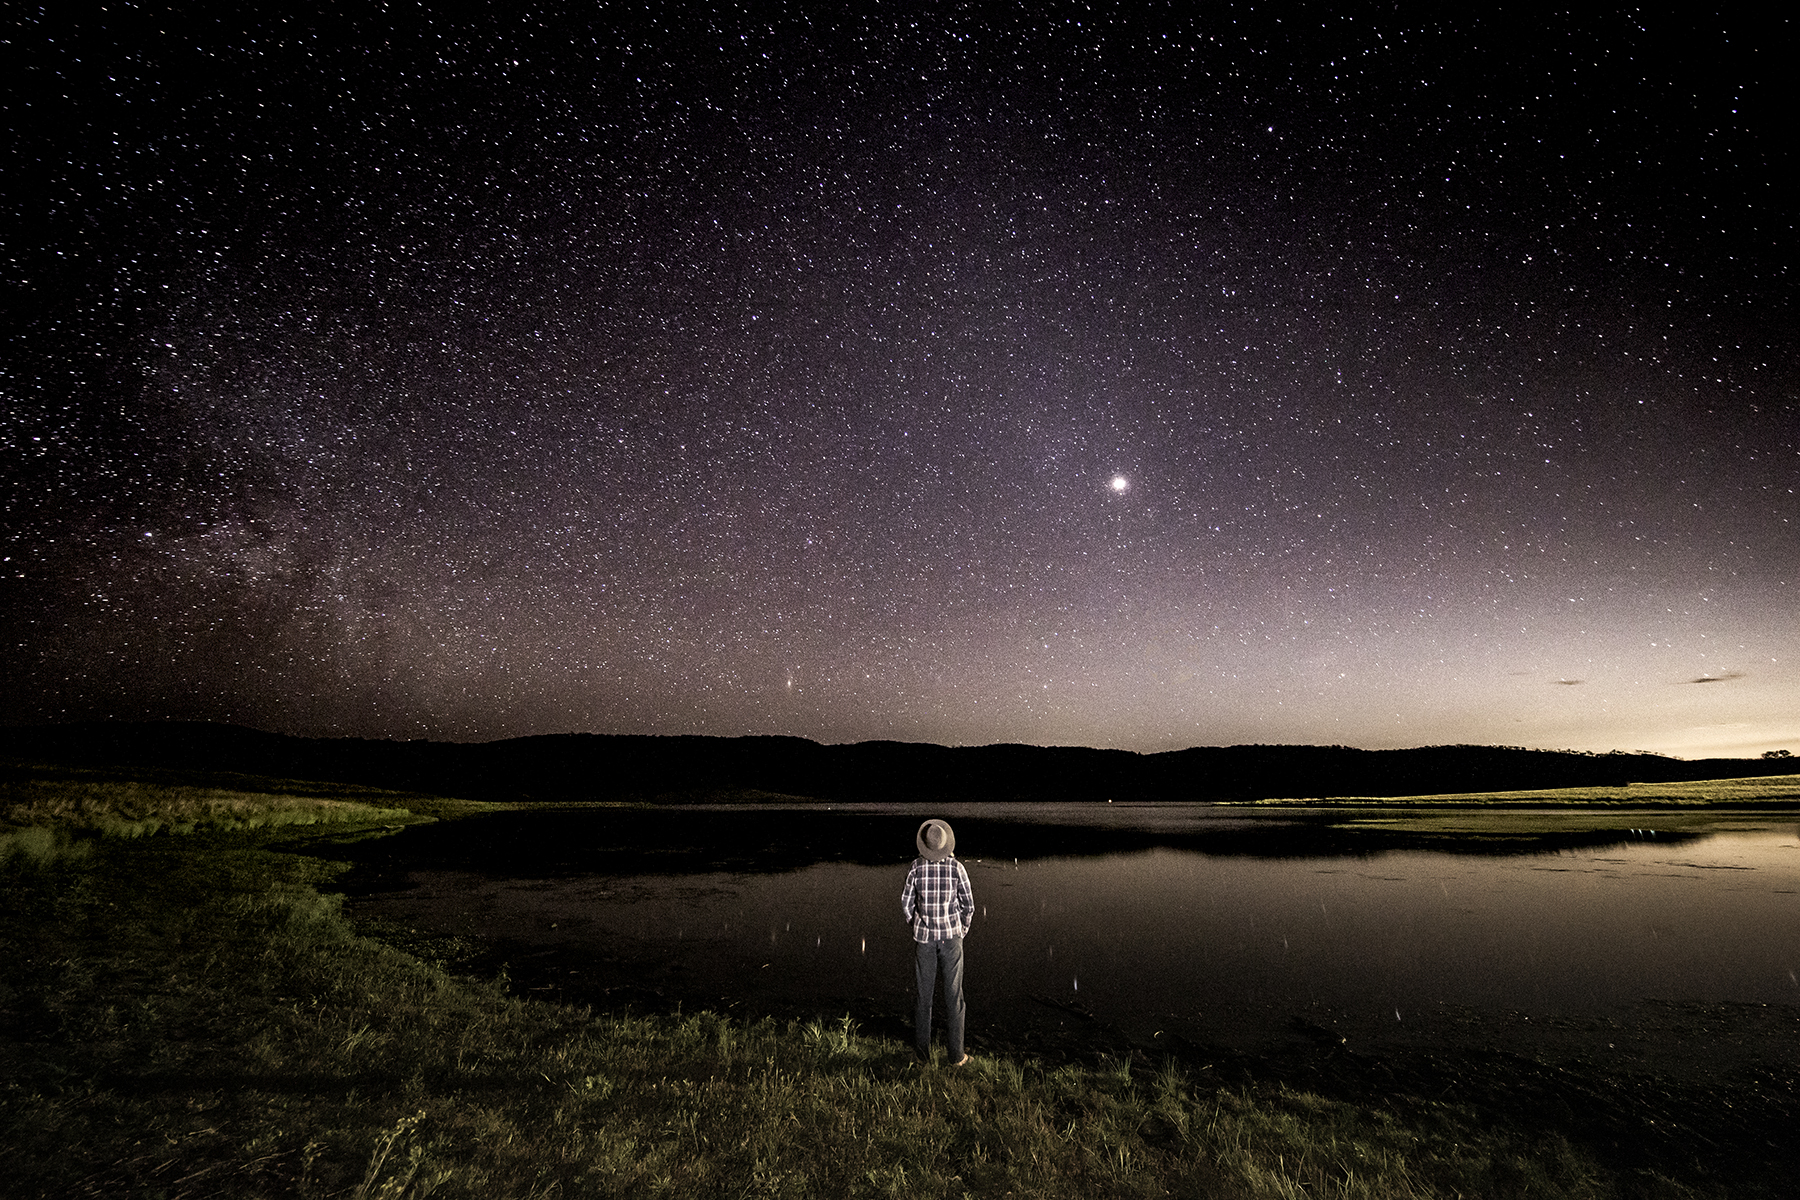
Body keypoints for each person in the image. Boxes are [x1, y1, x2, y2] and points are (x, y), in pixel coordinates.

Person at [900, 818, 974, 1065]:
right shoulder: (957, 868)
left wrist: (917, 924)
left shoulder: (916, 868)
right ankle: (956, 1056)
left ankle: (922, 1056)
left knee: (924, 997)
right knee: (954, 997)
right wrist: (962, 928)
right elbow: (968, 905)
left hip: (925, 940)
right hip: (952, 938)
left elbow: (906, 904)